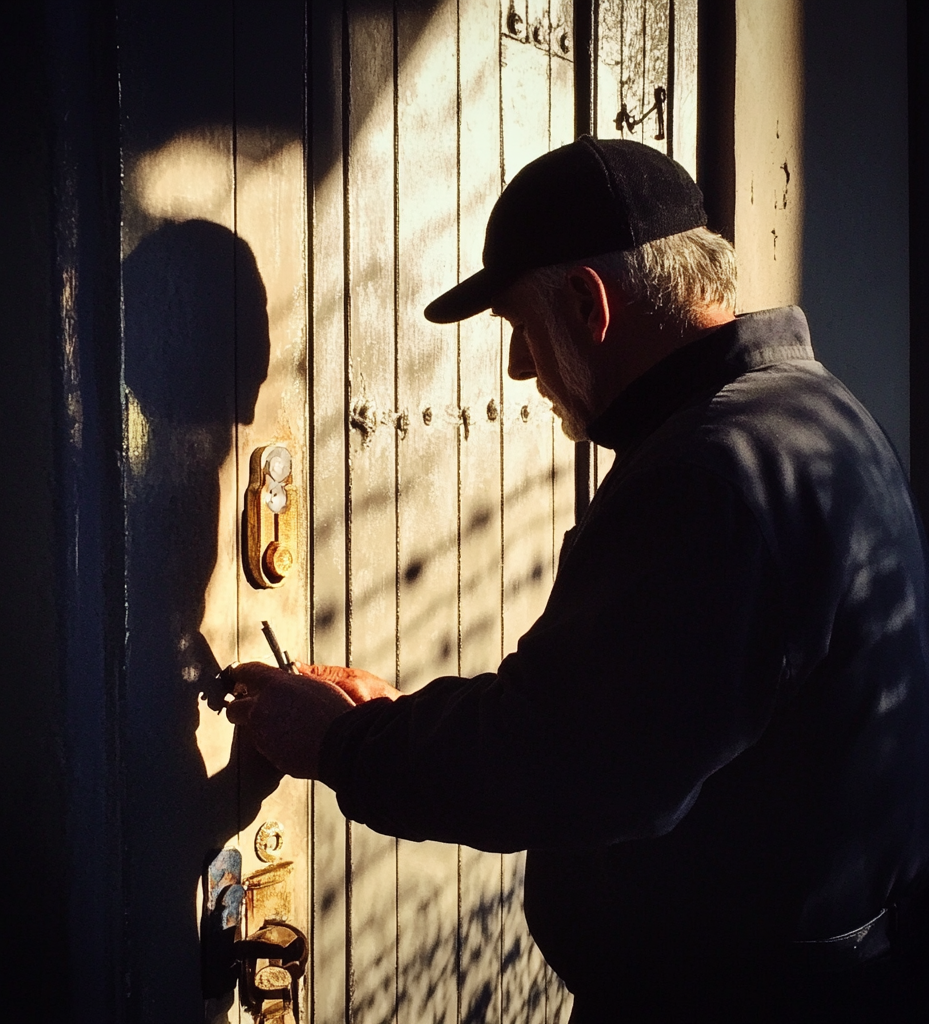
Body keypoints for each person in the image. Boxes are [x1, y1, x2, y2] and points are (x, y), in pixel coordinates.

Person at [225, 137, 928, 1021]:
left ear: (591, 304)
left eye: (521, 329)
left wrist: (343, 744)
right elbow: (619, 720)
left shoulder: (713, 471)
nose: (522, 370)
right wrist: (394, 723)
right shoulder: (809, 411)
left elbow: (571, 763)